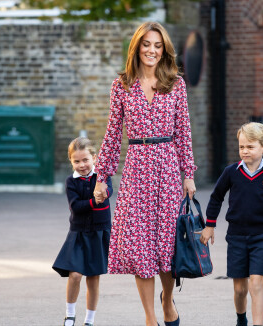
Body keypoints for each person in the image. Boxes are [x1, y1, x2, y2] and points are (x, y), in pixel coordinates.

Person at [92, 22, 197, 326]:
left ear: (164, 50)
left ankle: (167, 300)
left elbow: (184, 133)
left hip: (166, 169)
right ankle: (150, 319)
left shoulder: (176, 84)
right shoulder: (122, 84)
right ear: (137, 47)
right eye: (146, 44)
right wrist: (102, 177)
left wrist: (187, 173)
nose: (152, 50)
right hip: (136, 169)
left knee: (166, 244)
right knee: (140, 247)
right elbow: (112, 135)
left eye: (158, 45)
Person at [200, 122, 263, 326]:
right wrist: (210, 225)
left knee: (257, 285)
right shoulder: (231, 172)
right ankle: (241, 319)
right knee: (240, 289)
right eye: (241, 147)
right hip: (236, 237)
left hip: (261, 237)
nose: (244, 151)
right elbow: (216, 197)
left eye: (250, 146)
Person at [53, 137, 113, 326]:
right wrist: (93, 201)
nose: (82, 165)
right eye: (76, 161)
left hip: (99, 232)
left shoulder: (102, 177)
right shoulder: (71, 182)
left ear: (94, 158)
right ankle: (70, 314)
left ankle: (89, 319)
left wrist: (102, 192)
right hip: (78, 233)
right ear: (71, 161)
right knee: (75, 275)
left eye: (85, 160)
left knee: (93, 277)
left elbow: (108, 192)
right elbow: (75, 206)